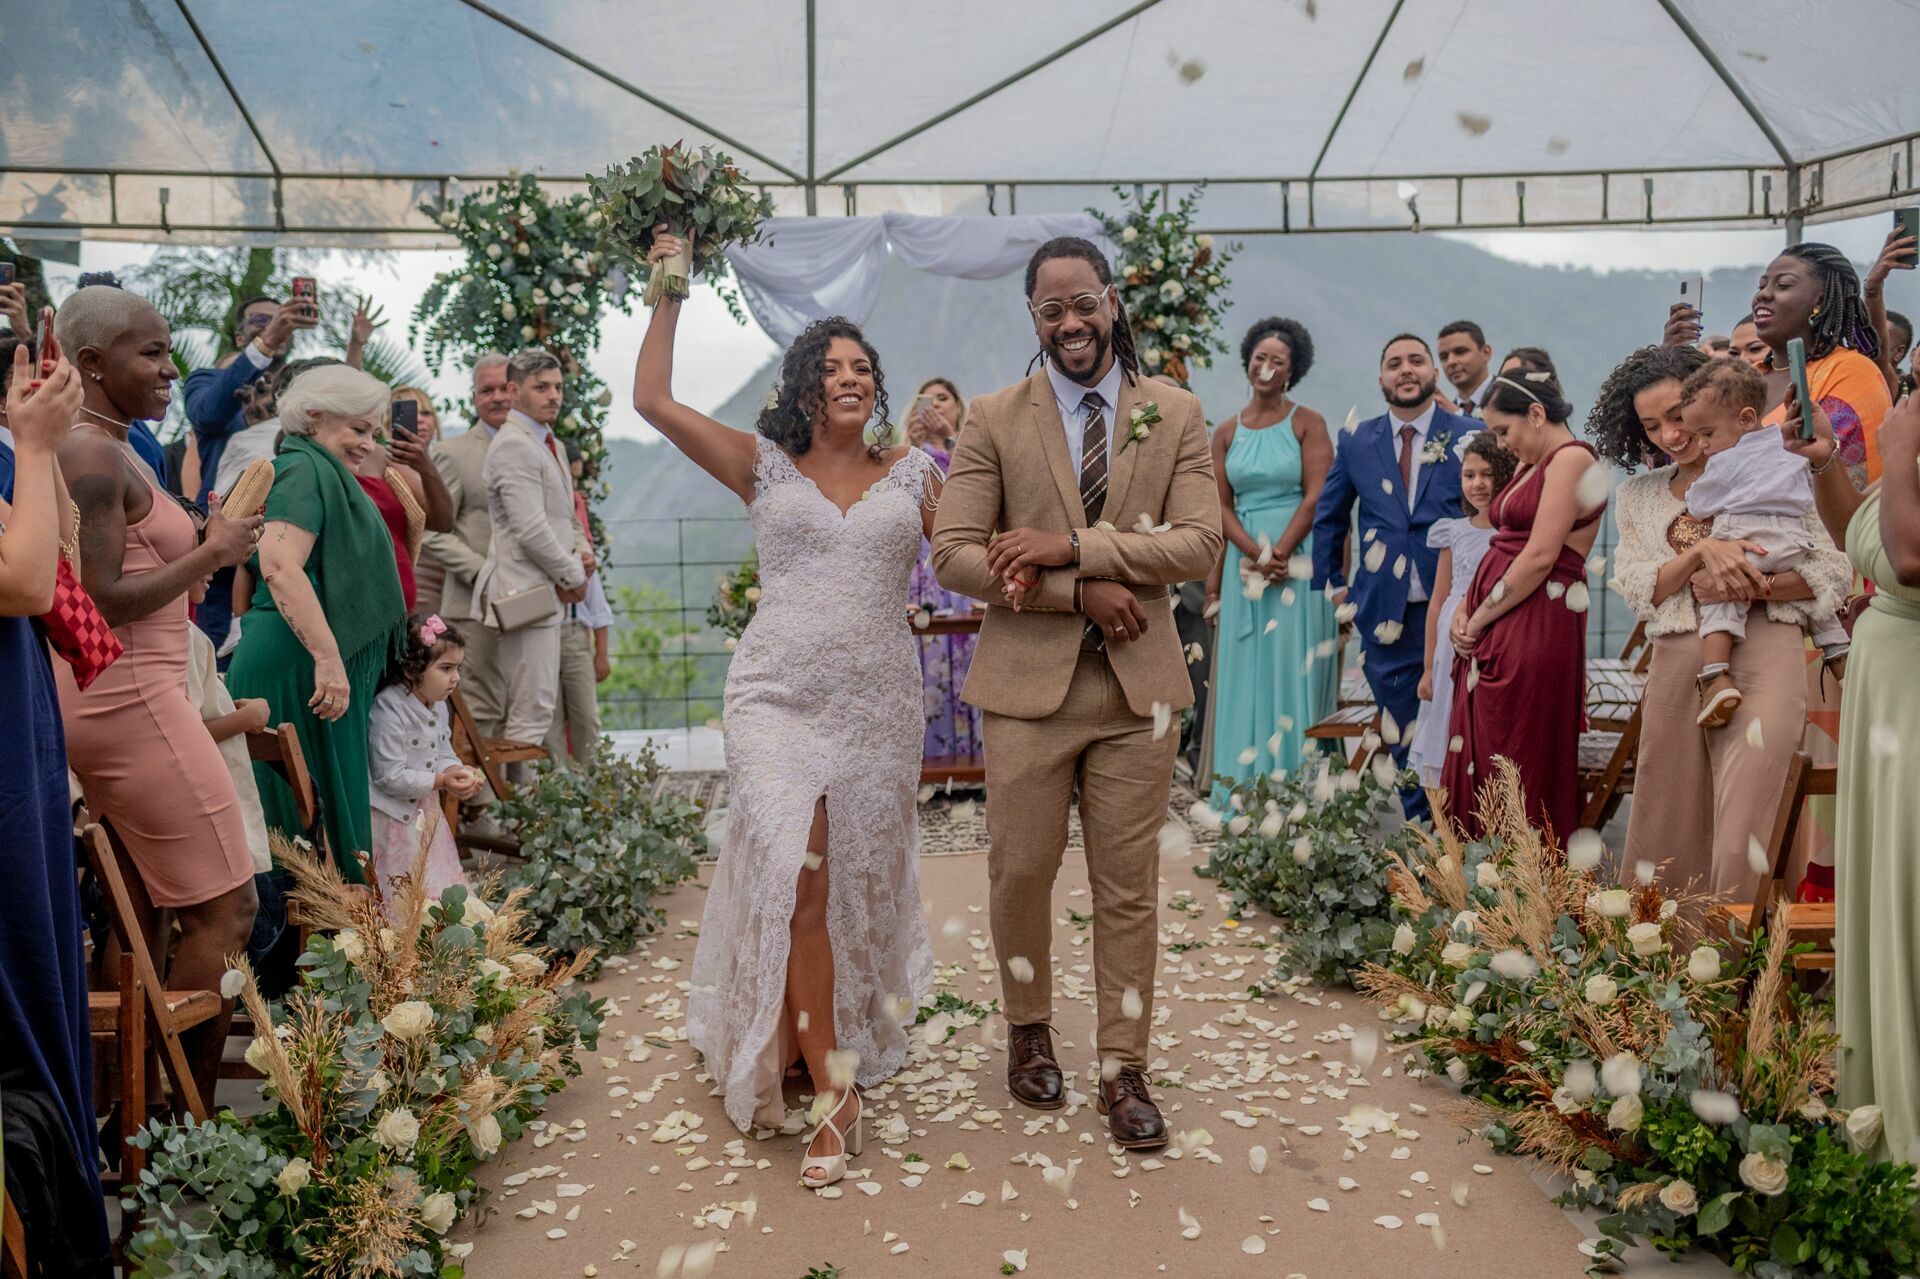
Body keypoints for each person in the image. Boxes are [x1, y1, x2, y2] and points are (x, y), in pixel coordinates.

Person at [635, 232, 938, 1187]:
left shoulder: (917, 473)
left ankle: (818, 1033)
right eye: (833, 367)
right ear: (805, 386)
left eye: (863, 367)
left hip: (878, 705)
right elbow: (652, 402)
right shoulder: (760, 463)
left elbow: (973, 555)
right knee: (798, 873)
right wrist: (671, 285)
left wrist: (1057, 569)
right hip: (774, 699)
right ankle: (837, 1093)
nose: (851, 377)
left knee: (854, 883)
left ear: (874, 389)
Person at [933, 236, 1224, 1152]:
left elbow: (1199, 544)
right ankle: (1028, 1029)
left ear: (1111, 303)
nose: (1071, 323)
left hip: (1139, 692)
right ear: (1033, 318)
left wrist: (1075, 548)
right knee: (1020, 870)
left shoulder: (1175, 411)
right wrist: (1074, 593)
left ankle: (1124, 1068)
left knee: (1128, 888)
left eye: (1084, 303)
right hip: (1027, 689)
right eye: (1051, 309)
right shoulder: (992, 417)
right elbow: (954, 553)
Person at [52, 287, 264, 1100]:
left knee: (142, 913)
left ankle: (126, 1110)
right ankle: (187, 1121)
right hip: (134, 699)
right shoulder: (92, 455)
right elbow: (101, 597)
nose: (172, 367)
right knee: (230, 908)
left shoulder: (117, 442)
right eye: (151, 352)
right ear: (92, 363)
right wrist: (212, 552)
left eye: (168, 349)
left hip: (126, 692)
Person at [1595, 344, 1850, 895]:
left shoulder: (1779, 469)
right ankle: (1664, 948)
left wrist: (1749, 586)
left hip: (1769, 654)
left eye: (1677, 416)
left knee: (1751, 819)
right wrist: (1702, 554)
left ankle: (1737, 947)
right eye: (1652, 426)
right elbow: (1640, 589)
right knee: (1670, 826)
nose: (1671, 434)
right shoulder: (1637, 496)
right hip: (1679, 669)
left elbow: (1832, 572)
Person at [0, 343, 113, 1274]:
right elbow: (24, 583)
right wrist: (35, 447)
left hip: (22, 725)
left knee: (41, 967)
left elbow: (55, 556)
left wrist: (33, 444)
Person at [226, 365, 409, 877]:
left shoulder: (320, 469)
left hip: (311, 661)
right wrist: (328, 659)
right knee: (299, 830)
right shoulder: (303, 469)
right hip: (298, 664)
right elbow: (279, 567)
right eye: (357, 428)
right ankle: (302, 928)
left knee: (321, 819)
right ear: (313, 417)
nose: (367, 443)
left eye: (373, 432)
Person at [1311, 334, 1471, 819]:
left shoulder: (1469, 433)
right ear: (1381, 378)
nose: (1406, 369)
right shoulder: (1357, 441)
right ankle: (1427, 834)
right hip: (1384, 611)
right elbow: (1330, 516)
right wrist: (1335, 586)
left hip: (1459, 610)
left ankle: (1469, 833)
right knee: (1401, 731)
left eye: (1416, 361)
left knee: (1463, 727)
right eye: (1394, 363)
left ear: (1434, 374)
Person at [1440, 372, 1604, 839]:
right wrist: (1465, 605)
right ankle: (1477, 864)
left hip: (1534, 622)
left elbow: (1539, 556)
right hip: (1499, 617)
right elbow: (1505, 544)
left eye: (1503, 431)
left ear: (1535, 414)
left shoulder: (1572, 459)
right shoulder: (1535, 462)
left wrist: (1478, 616)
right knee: (1488, 748)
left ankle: (1518, 869)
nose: (1501, 444)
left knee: (1516, 750)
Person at [1823, 387, 1920, 1168]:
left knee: (1909, 887)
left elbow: (1913, 561)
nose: (1910, 391)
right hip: (1885, 687)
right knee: (1882, 883)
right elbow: (1865, 539)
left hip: (1913, 691)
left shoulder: (1908, 442)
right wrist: (1826, 461)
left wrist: (1900, 444)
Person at [1678, 358, 1849, 726]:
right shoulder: (1788, 442)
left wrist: (1693, 491)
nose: (1703, 445)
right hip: (1793, 538)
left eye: (1707, 433)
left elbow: (1701, 504)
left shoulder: (1724, 461)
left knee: (1724, 598)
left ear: (1745, 418)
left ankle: (1715, 675)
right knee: (1817, 602)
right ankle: (1840, 655)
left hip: (1747, 538)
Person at [1206, 316, 1336, 786]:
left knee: (1290, 666)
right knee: (1245, 672)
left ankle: (1296, 784)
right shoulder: (1225, 432)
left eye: (1277, 361)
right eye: (1260, 358)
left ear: (1291, 370)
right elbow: (1218, 505)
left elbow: (1317, 496)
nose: (1266, 366)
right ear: (1248, 363)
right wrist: (1253, 554)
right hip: (1244, 563)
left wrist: (1278, 552)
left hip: (1294, 559)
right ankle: (1241, 785)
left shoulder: (1308, 423)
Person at [474, 348, 591, 778]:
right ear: (513, 389)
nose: (554, 396)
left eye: (558, 387)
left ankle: (529, 806)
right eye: (542, 387)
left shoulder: (547, 441)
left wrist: (583, 550)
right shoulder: (512, 445)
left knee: (538, 706)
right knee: (530, 709)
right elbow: (530, 528)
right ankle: (522, 810)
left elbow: (564, 514)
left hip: (546, 589)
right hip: (523, 592)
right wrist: (573, 574)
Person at [185, 293, 318, 652]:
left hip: (290, 554)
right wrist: (265, 345)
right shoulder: (207, 381)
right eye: (261, 321)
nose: (273, 326)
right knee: (217, 662)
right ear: (241, 336)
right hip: (222, 563)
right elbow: (208, 414)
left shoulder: (301, 399)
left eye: (280, 321)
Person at [1407, 432, 1515, 789]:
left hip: (1495, 634)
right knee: (1446, 717)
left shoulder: (1513, 532)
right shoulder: (1452, 532)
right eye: (1469, 475)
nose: (1478, 484)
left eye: (1487, 474)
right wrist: (1427, 669)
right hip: (1448, 643)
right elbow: (1438, 601)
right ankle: (1448, 806)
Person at [182, 575, 277, 959]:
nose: (210, 569)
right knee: (241, 918)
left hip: (201, 801)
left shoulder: (184, 634)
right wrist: (247, 718)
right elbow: (183, 731)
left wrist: (230, 708)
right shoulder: (181, 637)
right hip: (205, 802)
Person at [423, 354, 513, 738]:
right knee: (483, 710)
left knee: (526, 709)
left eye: (504, 388)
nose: (497, 397)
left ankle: (524, 782)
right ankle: (479, 781)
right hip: (474, 603)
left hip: (533, 600)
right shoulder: (453, 453)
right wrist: (481, 572)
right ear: (474, 398)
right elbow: (432, 530)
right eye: (486, 390)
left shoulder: (543, 445)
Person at [368, 613, 484, 910]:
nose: (455, 678)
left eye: (457, 668)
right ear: (412, 670)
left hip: (426, 812)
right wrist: (441, 781)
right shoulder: (389, 709)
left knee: (437, 878)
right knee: (405, 889)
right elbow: (388, 776)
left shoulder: (438, 705)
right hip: (394, 819)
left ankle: (439, 929)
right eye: (446, 668)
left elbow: (442, 750)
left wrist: (455, 771)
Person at [904, 376, 982, 761]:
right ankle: (928, 761)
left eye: (943, 398)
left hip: (959, 561)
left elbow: (978, 494)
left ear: (957, 407)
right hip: (919, 569)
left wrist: (949, 440)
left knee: (966, 652)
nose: (935, 405)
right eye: (928, 399)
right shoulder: (904, 457)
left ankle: (971, 758)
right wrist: (914, 446)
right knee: (924, 657)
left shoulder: (970, 450)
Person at [545, 442, 613, 767]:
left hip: (573, 630)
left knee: (584, 714)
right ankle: (556, 781)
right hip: (541, 629)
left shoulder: (579, 544)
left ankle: (590, 778)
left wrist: (601, 653)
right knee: (549, 718)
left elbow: (598, 607)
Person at [1862, 222, 1916, 400]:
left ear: (1899, 353)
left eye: (1883, 337)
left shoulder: (1901, 391)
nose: (1866, 344)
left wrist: (1873, 287)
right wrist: (1872, 286)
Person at [1437, 320, 1495, 418]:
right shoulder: (1444, 415)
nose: (1451, 362)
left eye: (1460, 352)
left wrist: (1457, 414)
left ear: (1486, 353)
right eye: (1444, 357)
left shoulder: (1511, 395)